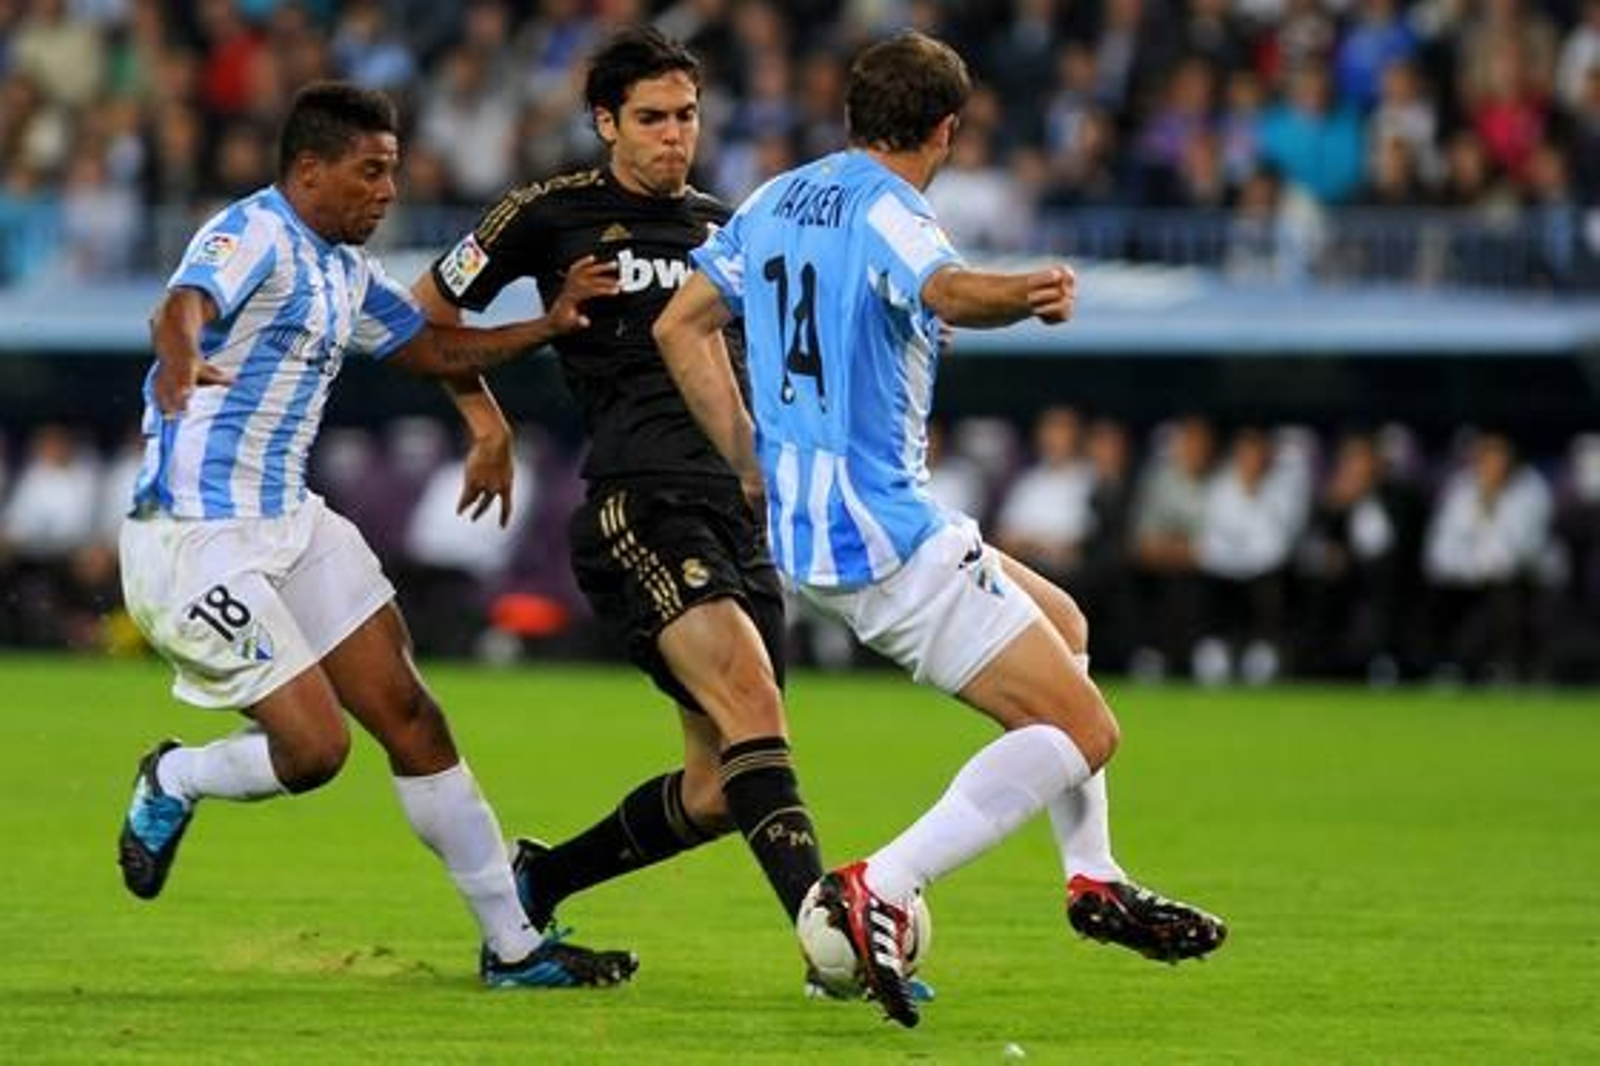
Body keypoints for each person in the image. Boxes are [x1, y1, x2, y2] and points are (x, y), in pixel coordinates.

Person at [656, 31, 1226, 1028]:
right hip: (884, 533)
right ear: (948, 130)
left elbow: (680, 323)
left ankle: (1094, 875)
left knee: (1066, 626)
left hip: (814, 528)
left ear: (852, 113)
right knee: (1085, 730)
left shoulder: (776, 197)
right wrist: (1028, 292)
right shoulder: (892, 210)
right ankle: (880, 883)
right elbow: (947, 288)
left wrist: (750, 455)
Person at [115, 81, 636, 990]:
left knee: (412, 716)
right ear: (310, 170)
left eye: (393, 170)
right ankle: (176, 778)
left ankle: (514, 948)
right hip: (194, 538)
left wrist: (547, 328)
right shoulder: (254, 233)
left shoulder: (345, 269)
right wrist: (179, 356)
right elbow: (184, 303)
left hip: (292, 522)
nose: (388, 190)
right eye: (371, 171)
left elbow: (430, 348)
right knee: (316, 752)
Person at [411, 27, 829, 980]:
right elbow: (423, 310)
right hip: (641, 501)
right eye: (651, 118)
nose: (674, 135)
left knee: (721, 787)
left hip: (738, 511)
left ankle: (540, 879)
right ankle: (832, 940)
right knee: (753, 705)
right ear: (606, 122)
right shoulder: (549, 212)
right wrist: (488, 421)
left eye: (687, 116)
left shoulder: (728, 226)